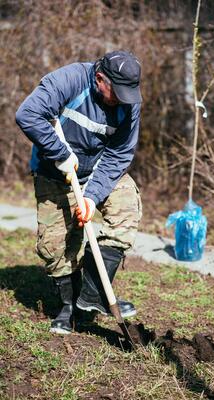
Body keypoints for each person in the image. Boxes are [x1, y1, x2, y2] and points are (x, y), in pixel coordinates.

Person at [16, 50, 143, 334]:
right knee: (55, 246)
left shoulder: (129, 100)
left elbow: (120, 154)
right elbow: (27, 114)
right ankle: (68, 307)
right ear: (100, 79)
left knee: (126, 208)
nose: (124, 100)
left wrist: (91, 196)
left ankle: (95, 294)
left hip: (97, 170)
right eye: (117, 93)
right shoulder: (69, 80)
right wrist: (60, 154)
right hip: (54, 172)